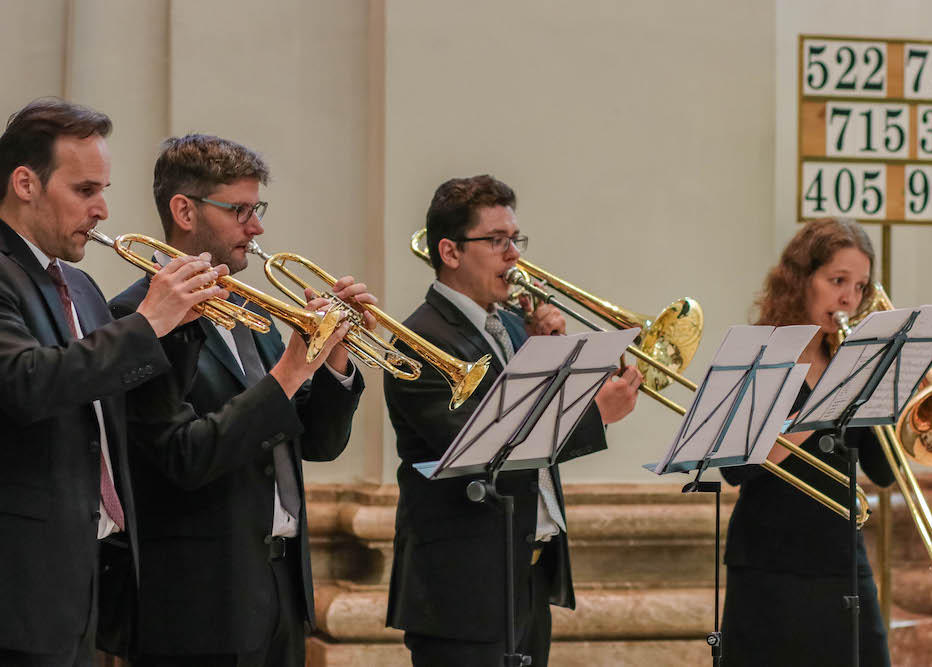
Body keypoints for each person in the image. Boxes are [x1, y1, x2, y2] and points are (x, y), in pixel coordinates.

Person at [109, 134, 372, 666]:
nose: (256, 229)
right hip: (200, 601)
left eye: (257, 210)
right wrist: (293, 368)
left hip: (280, 586)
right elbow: (186, 456)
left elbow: (316, 444)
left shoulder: (256, 318)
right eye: (240, 211)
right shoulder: (135, 321)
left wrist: (334, 359)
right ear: (184, 210)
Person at [0, 99, 227, 666]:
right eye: (84, 191)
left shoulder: (80, 287)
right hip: (17, 585)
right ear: (25, 183)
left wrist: (182, 325)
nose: (103, 209)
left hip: (86, 581)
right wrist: (149, 320)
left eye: (103, 189)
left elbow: (126, 402)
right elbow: (26, 383)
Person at [383, 174, 642, 667]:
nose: (514, 255)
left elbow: (531, 427)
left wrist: (552, 355)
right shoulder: (420, 337)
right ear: (451, 252)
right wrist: (594, 417)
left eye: (515, 239)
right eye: (496, 241)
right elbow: (479, 454)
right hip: (462, 591)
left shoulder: (509, 330)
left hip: (523, 574)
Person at [719, 217, 894, 666]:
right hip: (769, 567)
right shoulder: (760, 352)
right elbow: (737, 470)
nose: (848, 299)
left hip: (842, 563)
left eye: (859, 286)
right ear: (801, 280)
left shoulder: (852, 359)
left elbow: (884, 471)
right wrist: (825, 404)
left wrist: (895, 397)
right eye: (837, 281)